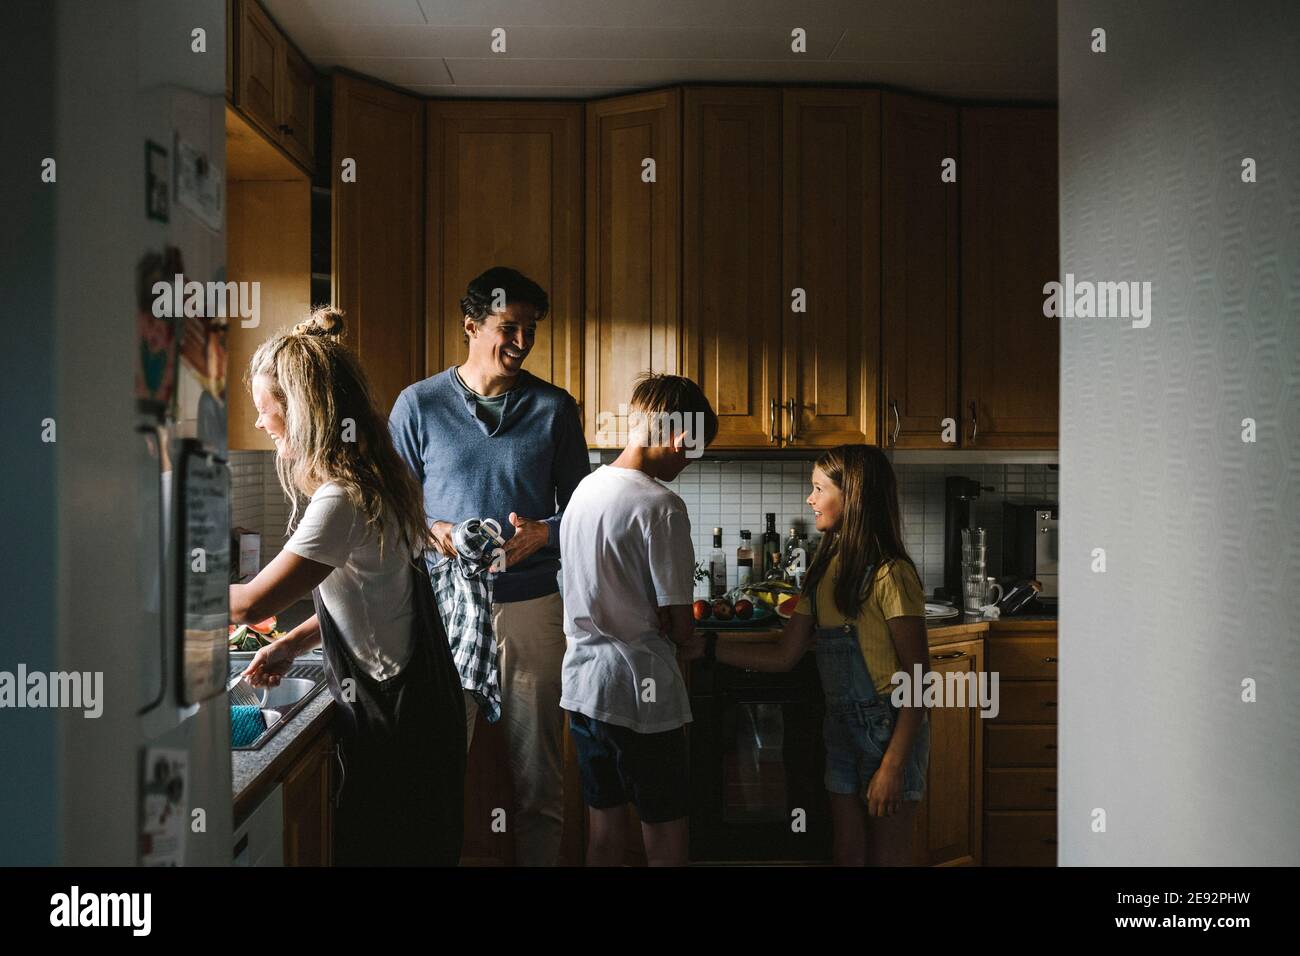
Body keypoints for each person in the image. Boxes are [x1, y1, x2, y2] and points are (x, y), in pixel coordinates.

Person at [232, 309, 466, 866]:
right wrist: (289, 645)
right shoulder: (377, 480)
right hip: (420, 709)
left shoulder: (340, 499)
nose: (262, 424)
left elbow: (251, 602)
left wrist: (157, 583)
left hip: (399, 720)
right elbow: (374, 601)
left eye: (267, 411)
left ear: (302, 413)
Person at [389, 267, 589, 866]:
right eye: (510, 327)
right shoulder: (418, 405)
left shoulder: (555, 408)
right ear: (472, 325)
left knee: (538, 776)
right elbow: (394, 511)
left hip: (531, 611)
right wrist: (435, 530)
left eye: (531, 330)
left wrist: (544, 533)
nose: (522, 342)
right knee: (442, 767)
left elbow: (583, 510)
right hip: (445, 611)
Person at [714, 445, 931, 866]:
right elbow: (784, 655)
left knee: (889, 855)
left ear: (853, 496)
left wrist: (893, 766)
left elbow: (919, 682)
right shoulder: (823, 568)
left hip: (888, 730)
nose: (810, 500)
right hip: (841, 727)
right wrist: (707, 649)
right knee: (846, 851)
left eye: (818, 489)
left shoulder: (892, 574)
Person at [559, 374, 715, 866]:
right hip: (641, 695)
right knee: (664, 836)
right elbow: (679, 624)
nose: (691, 461)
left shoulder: (586, 489)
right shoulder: (662, 506)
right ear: (679, 436)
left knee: (604, 835)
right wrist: (689, 637)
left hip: (585, 691)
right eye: (695, 449)